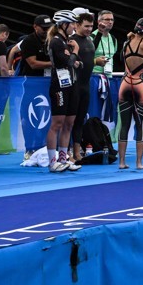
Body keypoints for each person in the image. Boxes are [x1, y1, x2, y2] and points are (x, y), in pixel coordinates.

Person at [46, 11, 83, 173]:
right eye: (72, 24)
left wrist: (74, 58)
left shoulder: (68, 41)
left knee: (69, 123)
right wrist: (75, 52)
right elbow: (68, 62)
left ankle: (63, 158)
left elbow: (78, 64)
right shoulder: (56, 42)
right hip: (59, 86)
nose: (75, 27)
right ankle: (52, 161)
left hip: (72, 84)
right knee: (57, 123)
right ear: (63, 24)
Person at [118, 17, 143, 170]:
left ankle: (121, 162)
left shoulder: (127, 42)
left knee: (124, 125)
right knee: (140, 124)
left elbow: (122, 58)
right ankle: (139, 163)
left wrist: (131, 37)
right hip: (141, 83)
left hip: (125, 83)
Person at [69, 12, 96, 161]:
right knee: (69, 121)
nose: (89, 29)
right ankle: (66, 152)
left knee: (80, 120)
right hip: (74, 86)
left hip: (85, 86)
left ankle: (77, 152)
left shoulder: (90, 40)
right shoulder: (71, 41)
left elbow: (89, 60)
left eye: (91, 26)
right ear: (77, 25)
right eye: (86, 26)